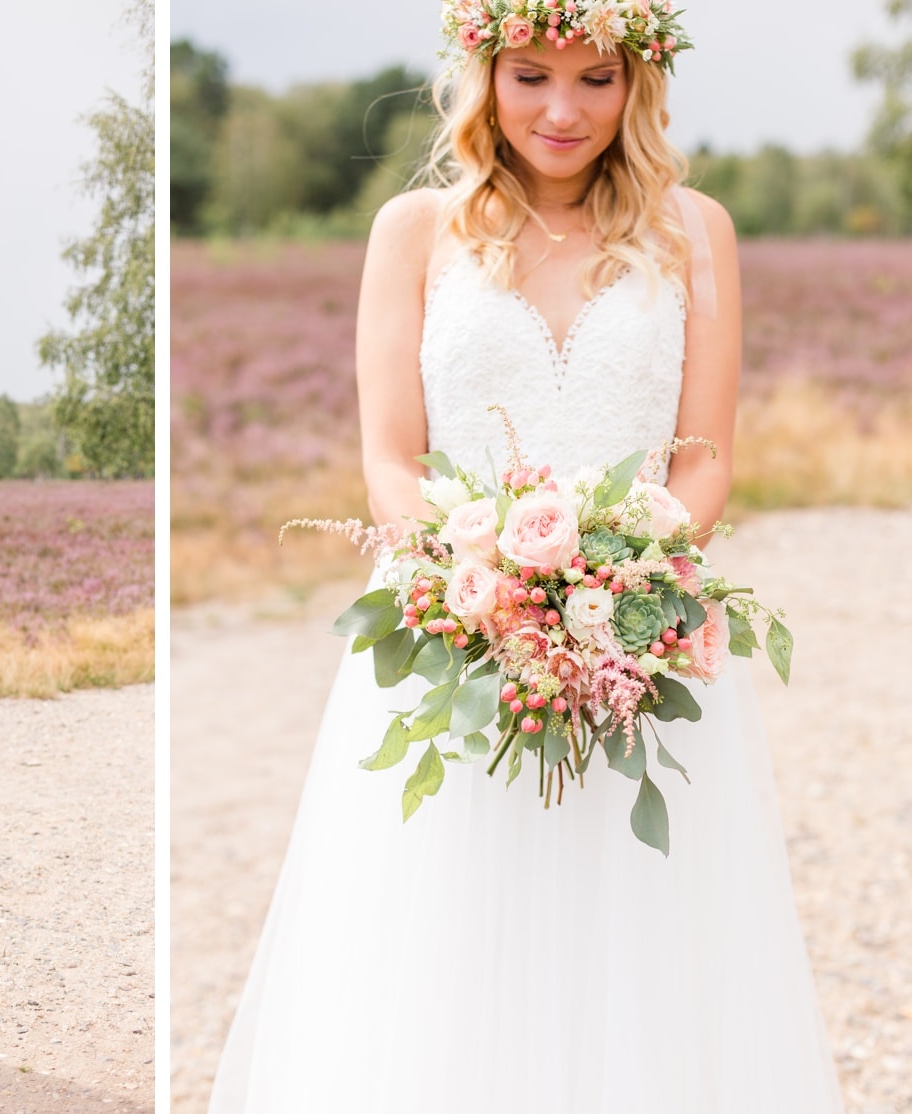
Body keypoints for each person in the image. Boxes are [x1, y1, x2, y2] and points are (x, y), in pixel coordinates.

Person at [207, 5, 845, 1112]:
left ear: (639, 80)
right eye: (531, 75)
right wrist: (490, 583)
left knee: (641, 926)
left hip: (638, 628)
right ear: (483, 73)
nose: (562, 110)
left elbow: (706, 465)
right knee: (445, 922)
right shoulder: (414, 230)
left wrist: (612, 581)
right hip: (454, 613)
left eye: (597, 78)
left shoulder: (698, 232)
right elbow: (389, 460)